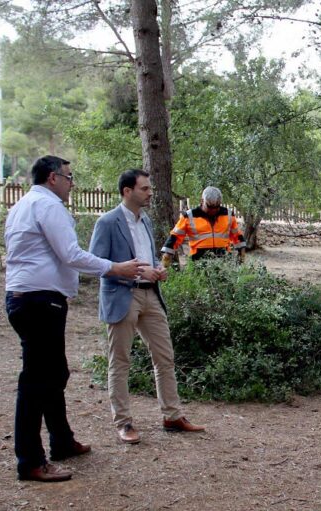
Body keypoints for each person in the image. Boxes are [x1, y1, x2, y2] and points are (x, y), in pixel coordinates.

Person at [5, 155, 146, 482]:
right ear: (53, 178)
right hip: (41, 300)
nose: (72, 184)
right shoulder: (50, 206)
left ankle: (62, 441)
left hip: (24, 297)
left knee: (53, 374)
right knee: (37, 381)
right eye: (69, 177)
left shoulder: (21, 206)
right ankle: (30, 461)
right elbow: (71, 254)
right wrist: (114, 267)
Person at [89, 169, 205, 445]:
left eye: (150, 188)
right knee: (120, 361)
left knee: (165, 356)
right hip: (122, 296)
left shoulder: (146, 221)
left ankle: (172, 416)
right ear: (127, 191)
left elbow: (148, 256)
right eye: (144, 188)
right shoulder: (107, 222)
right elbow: (94, 264)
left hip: (151, 295)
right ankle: (124, 422)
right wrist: (129, 273)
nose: (150, 192)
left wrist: (156, 270)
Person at [161, 186, 246, 266]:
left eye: (217, 207)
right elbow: (175, 236)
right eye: (209, 207)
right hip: (198, 262)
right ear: (202, 201)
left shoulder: (228, 215)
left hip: (223, 262)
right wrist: (167, 254)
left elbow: (237, 235)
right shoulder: (189, 216)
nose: (213, 210)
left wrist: (241, 251)